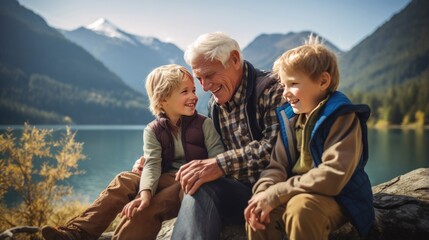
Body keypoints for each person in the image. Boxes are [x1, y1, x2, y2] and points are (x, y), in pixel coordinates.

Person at [41, 64, 225, 240]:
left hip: (189, 185)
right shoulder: (153, 130)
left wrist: (146, 199)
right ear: (163, 99)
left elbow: (217, 159)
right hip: (164, 179)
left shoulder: (204, 125)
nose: (193, 96)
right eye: (185, 92)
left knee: (145, 209)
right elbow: (152, 164)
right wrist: (145, 193)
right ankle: (77, 233)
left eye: (193, 90)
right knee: (124, 180)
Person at [244, 35, 375, 240]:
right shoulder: (290, 119)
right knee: (259, 213)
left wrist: (277, 194)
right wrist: (263, 193)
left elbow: (333, 175)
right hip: (298, 192)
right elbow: (275, 167)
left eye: (293, 83)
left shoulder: (341, 117)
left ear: (323, 81)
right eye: (283, 85)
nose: (285, 93)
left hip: (340, 198)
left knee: (301, 208)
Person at [171, 32, 285, 240]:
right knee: (199, 183)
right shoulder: (215, 105)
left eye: (209, 75)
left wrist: (221, 165)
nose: (204, 86)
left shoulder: (273, 89)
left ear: (234, 59)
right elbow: (209, 153)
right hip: (241, 196)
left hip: (276, 195)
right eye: (199, 79)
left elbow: (277, 148)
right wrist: (160, 159)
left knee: (204, 185)